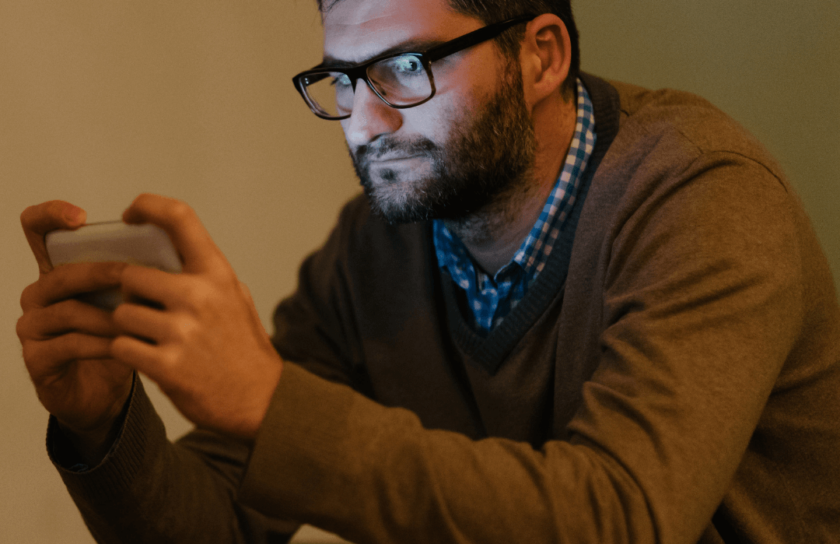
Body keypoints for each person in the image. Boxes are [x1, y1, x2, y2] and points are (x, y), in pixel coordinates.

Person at [16, 0, 840, 542]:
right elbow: (227, 525)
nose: (367, 121)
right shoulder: (375, 247)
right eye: (343, 78)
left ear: (540, 57)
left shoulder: (702, 198)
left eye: (407, 68)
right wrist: (107, 427)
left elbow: (623, 517)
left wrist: (272, 405)